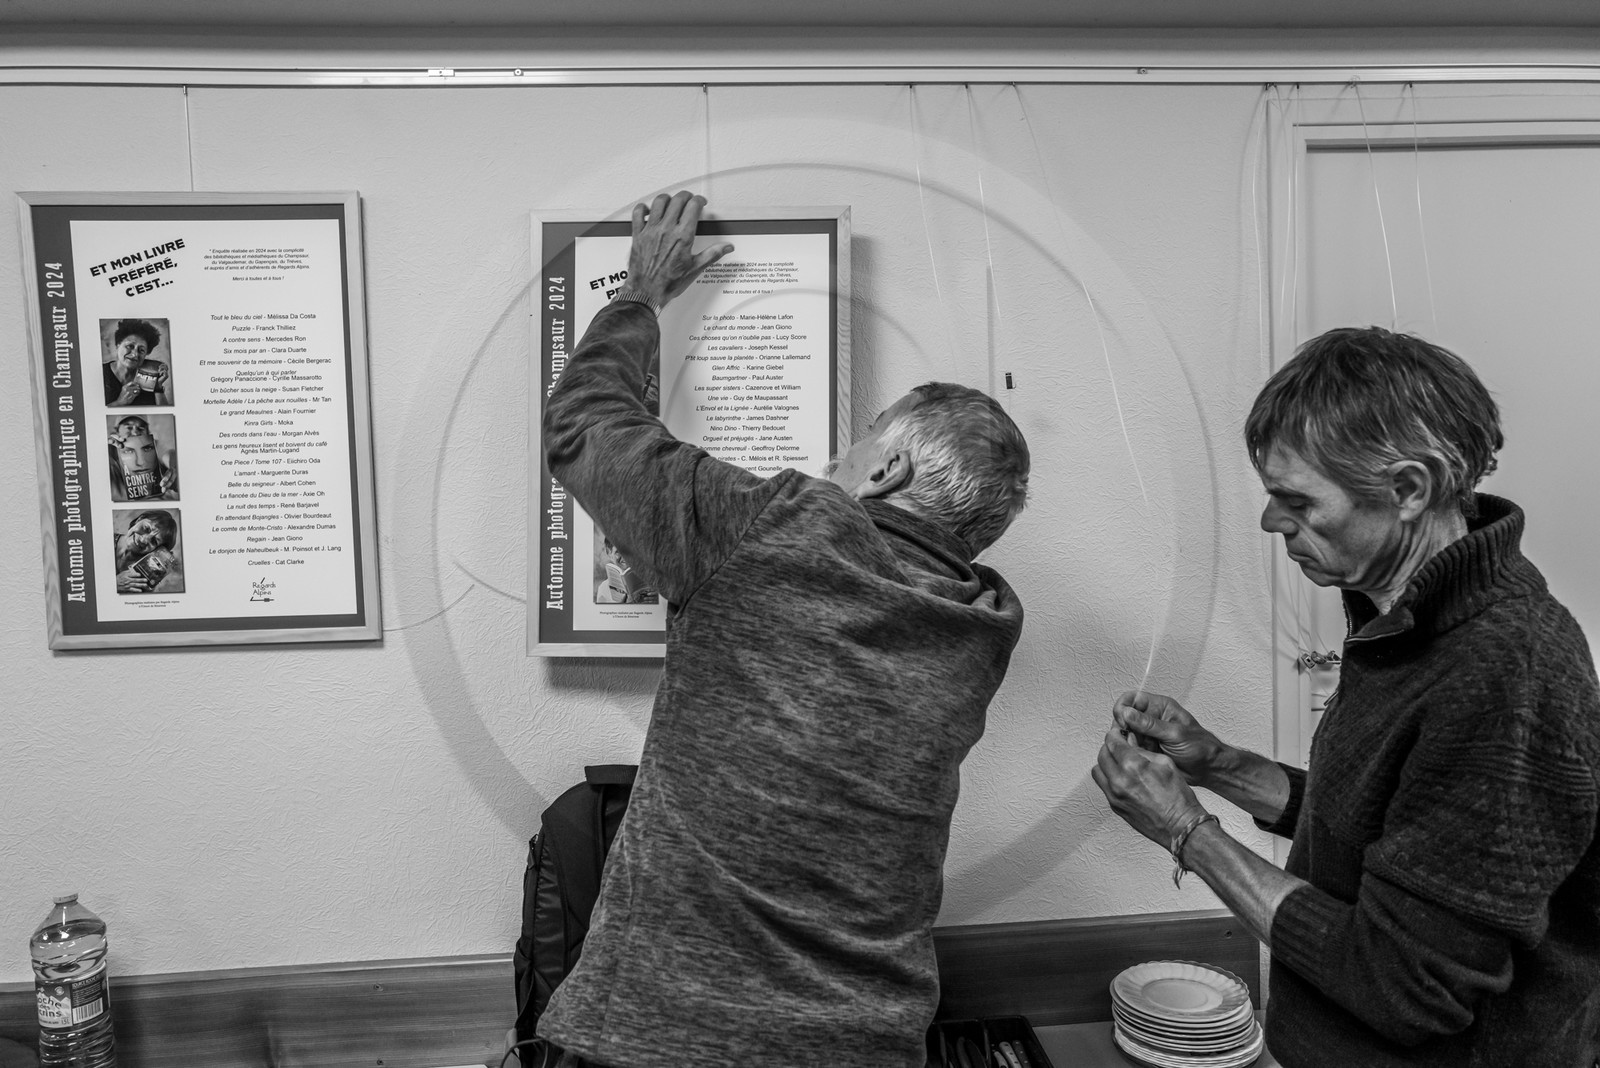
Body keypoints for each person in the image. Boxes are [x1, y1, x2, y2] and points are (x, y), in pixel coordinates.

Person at [535, 191, 1030, 1068]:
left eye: (858, 441)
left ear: (887, 465)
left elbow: (584, 426)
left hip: (666, 1036)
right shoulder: (983, 627)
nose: (835, 456)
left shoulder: (773, 527)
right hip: (864, 1044)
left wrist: (642, 295)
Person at [1092, 327, 1600, 1067]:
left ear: (1408, 489)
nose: (1272, 521)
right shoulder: (1406, 624)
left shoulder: (1505, 670)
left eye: (1295, 499)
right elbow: (1395, 839)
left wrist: (1185, 831)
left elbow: (1404, 985)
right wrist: (1220, 765)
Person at [108, 415, 178, 501]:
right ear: (117, 431)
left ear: (148, 432)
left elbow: (168, 454)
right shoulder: (109, 450)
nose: (135, 432)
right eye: (129, 427)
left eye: (141, 428)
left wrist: (175, 467)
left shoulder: (154, 444)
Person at [103, 318, 172, 406]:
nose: (135, 354)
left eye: (141, 350)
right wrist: (119, 402)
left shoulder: (148, 377)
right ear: (118, 345)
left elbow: (163, 412)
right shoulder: (102, 374)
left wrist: (157, 387)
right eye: (129, 346)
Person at [114, 508, 184, 594]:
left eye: (154, 541)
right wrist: (113, 585)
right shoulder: (100, 540)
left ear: (158, 550)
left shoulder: (145, 577)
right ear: (139, 519)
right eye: (146, 528)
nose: (143, 540)